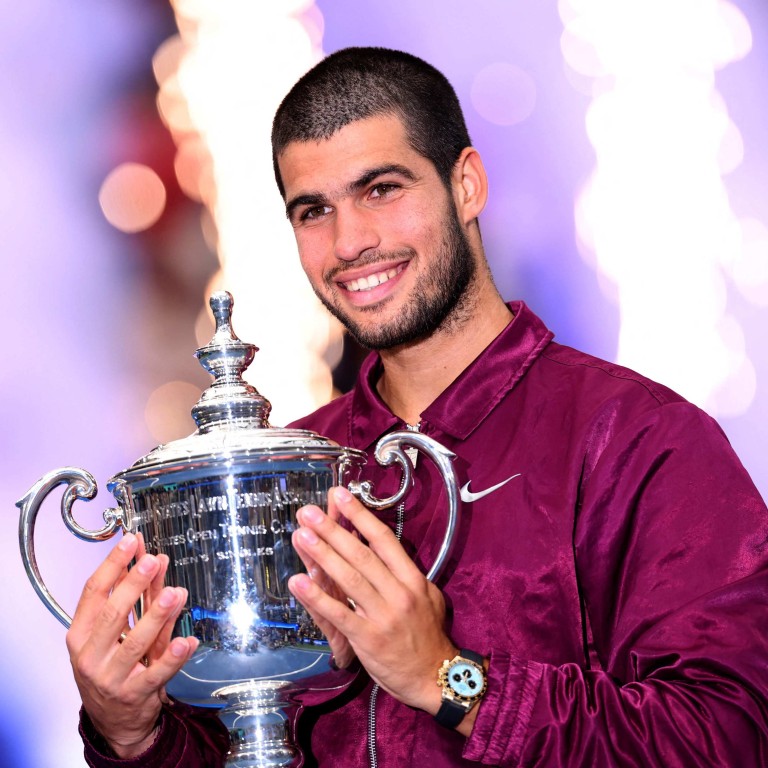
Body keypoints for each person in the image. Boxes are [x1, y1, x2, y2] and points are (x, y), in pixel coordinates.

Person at [68, 47, 768, 767]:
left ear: (466, 185)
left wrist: (449, 679)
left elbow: (730, 736)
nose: (350, 243)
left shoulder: (639, 439)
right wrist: (133, 734)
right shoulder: (291, 469)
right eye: (314, 211)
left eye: (381, 189)